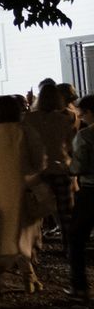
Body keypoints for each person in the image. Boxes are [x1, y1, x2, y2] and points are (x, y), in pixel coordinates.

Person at [0, 95, 45, 294]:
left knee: (7, 237)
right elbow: (39, 161)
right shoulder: (26, 132)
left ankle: (29, 277)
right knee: (23, 237)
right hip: (22, 188)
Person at [22, 77, 77, 236]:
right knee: (66, 211)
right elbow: (71, 145)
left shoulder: (29, 119)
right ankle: (70, 245)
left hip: (37, 171)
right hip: (61, 167)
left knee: (37, 211)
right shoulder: (65, 119)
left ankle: (34, 243)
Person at [67, 95, 94, 298]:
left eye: (82, 114)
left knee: (76, 237)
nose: (81, 118)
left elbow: (78, 166)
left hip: (90, 190)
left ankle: (80, 285)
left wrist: (68, 165)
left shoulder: (85, 136)